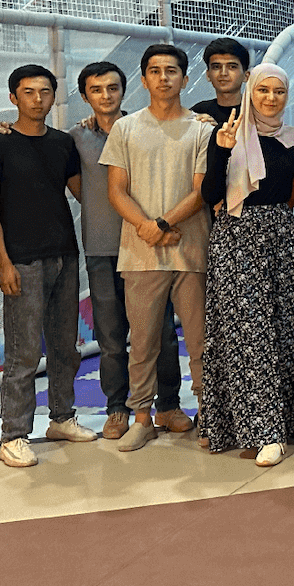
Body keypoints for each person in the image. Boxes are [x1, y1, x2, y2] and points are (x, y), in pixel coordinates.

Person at [0, 64, 96, 468]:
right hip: (22, 260)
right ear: (14, 97)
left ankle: (61, 418)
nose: (37, 99)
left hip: (64, 254)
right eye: (28, 92)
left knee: (65, 347)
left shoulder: (63, 143)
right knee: (24, 352)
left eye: (45, 92)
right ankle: (13, 435)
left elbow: (84, 194)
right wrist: (3, 262)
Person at [101, 44, 212, 452]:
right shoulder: (125, 128)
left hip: (191, 251)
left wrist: (163, 224)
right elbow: (117, 190)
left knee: (200, 341)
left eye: (171, 70)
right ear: (144, 79)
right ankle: (142, 419)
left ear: (185, 78)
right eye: (155, 70)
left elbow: (201, 190)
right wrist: (147, 228)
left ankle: (210, 414)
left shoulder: (202, 129)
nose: (163, 77)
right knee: (143, 343)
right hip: (140, 254)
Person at [197, 65, 294, 466]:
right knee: (246, 334)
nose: (271, 98)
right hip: (235, 238)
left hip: (279, 237)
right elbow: (209, 193)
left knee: (284, 330)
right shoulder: (227, 134)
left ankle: (291, 422)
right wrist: (222, 150)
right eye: (263, 90)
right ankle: (264, 432)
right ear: (250, 91)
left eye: (279, 91)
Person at [70, 61, 184, 441]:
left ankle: (168, 405)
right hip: (102, 249)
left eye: (113, 88)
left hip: (146, 245)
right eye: (96, 89)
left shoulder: (143, 127)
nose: (106, 95)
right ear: (85, 96)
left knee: (160, 331)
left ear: (124, 89)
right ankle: (117, 408)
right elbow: (79, 187)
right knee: (111, 335)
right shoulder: (75, 138)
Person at [192, 37, 250, 125]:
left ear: (246, 76)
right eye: (216, 67)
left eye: (232, 67)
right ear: (208, 75)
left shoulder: (257, 112)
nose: (223, 73)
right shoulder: (199, 112)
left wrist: (216, 129)